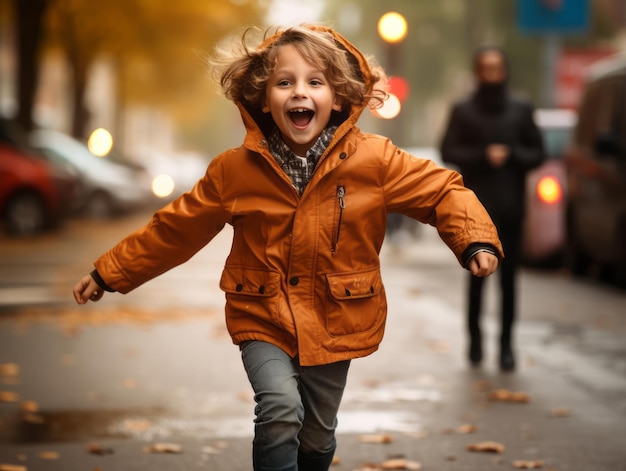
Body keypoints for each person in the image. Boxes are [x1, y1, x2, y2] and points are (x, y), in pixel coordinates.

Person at [73, 25, 503, 471]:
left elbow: (441, 191)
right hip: (262, 314)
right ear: (263, 98)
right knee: (279, 410)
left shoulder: (373, 161)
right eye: (285, 82)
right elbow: (175, 229)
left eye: (315, 82)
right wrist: (110, 272)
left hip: (338, 317)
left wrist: (473, 239)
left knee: (316, 437)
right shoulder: (234, 171)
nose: (300, 92)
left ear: (338, 98)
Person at [439, 45, 546, 372]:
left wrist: (512, 156)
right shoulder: (464, 110)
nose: (492, 73)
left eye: (497, 67)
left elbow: (537, 153)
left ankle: (506, 347)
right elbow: (448, 149)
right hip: (475, 211)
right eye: (485, 67)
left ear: (504, 70)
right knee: (476, 277)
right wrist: (483, 156)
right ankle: (474, 342)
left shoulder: (520, 109)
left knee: (509, 280)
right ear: (478, 71)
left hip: (512, 207)